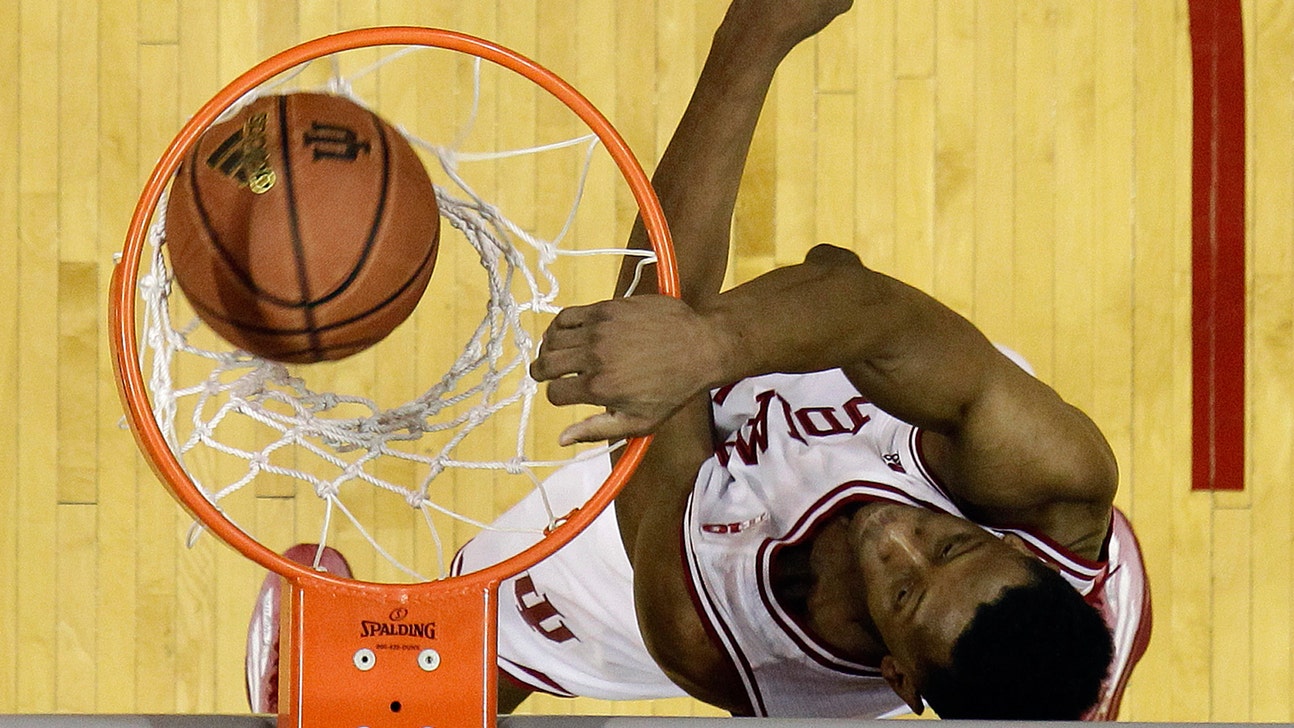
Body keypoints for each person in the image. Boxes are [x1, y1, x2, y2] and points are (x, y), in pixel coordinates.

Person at [251, 0, 1149, 719]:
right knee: (830, 291)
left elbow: (648, 346)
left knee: (527, 608)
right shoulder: (1051, 482)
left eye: (904, 594)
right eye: (949, 542)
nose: (896, 539)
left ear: (898, 675)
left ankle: (362, 693)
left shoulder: (713, 630)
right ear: (1015, 544)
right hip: (905, 430)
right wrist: (757, 35)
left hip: (708, 522)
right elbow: (881, 320)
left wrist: (744, 42)